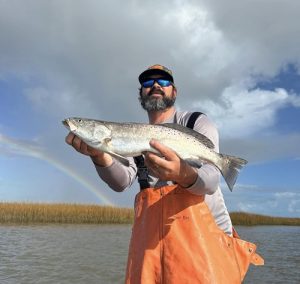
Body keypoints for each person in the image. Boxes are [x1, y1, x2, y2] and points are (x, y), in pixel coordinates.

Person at [65, 64, 263, 283]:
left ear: (174, 91)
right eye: (148, 83)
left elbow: (212, 180)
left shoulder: (196, 122)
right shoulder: (134, 139)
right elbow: (121, 182)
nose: (156, 85)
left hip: (206, 248)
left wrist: (182, 173)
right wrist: (99, 156)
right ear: (141, 93)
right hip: (152, 251)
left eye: (164, 81)